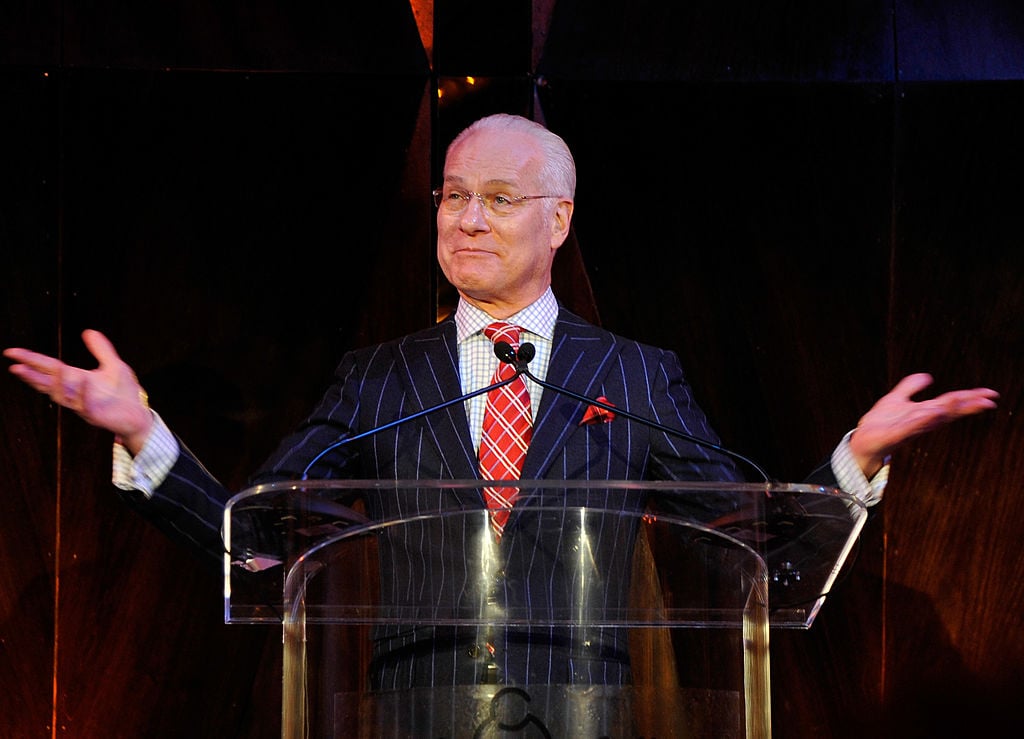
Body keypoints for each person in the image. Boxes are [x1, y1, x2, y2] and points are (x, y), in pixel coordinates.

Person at [4, 114, 999, 692]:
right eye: (449, 195)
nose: (466, 217)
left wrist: (852, 460)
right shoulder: (379, 377)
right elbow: (260, 538)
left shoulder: (635, 375)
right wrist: (144, 434)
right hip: (408, 711)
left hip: (581, 711)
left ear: (558, 217)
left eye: (497, 197)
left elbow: (758, 550)